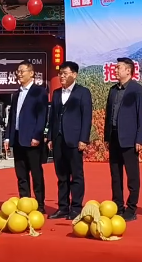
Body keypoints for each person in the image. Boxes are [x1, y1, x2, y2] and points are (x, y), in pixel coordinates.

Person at [104, 57, 142, 222]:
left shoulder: (137, 90)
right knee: (115, 175)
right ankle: (118, 206)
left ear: (128, 71)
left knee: (132, 176)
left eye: (118, 68)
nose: (115, 70)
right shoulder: (113, 90)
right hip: (114, 137)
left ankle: (131, 208)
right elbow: (109, 114)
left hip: (130, 139)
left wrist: (140, 139)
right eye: (116, 68)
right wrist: (107, 136)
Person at [48, 61, 92, 219]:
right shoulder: (56, 93)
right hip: (58, 139)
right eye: (60, 73)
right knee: (61, 175)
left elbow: (86, 117)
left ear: (74, 74)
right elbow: (52, 117)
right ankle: (63, 207)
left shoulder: (83, 92)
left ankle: (76, 207)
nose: (62, 76)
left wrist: (83, 139)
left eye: (65, 73)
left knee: (76, 175)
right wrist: (50, 137)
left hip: (74, 139)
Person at [4, 61, 48, 213]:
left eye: (22, 71)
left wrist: (37, 136)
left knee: (36, 173)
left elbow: (42, 116)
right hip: (17, 138)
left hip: (32, 139)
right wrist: (7, 137)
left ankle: (40, 204)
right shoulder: (16, 94)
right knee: (21, 174)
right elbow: (12, 117)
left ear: (31, 73)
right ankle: (25, 202)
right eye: (18, 71)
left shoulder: (39, 92)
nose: (19, 74)